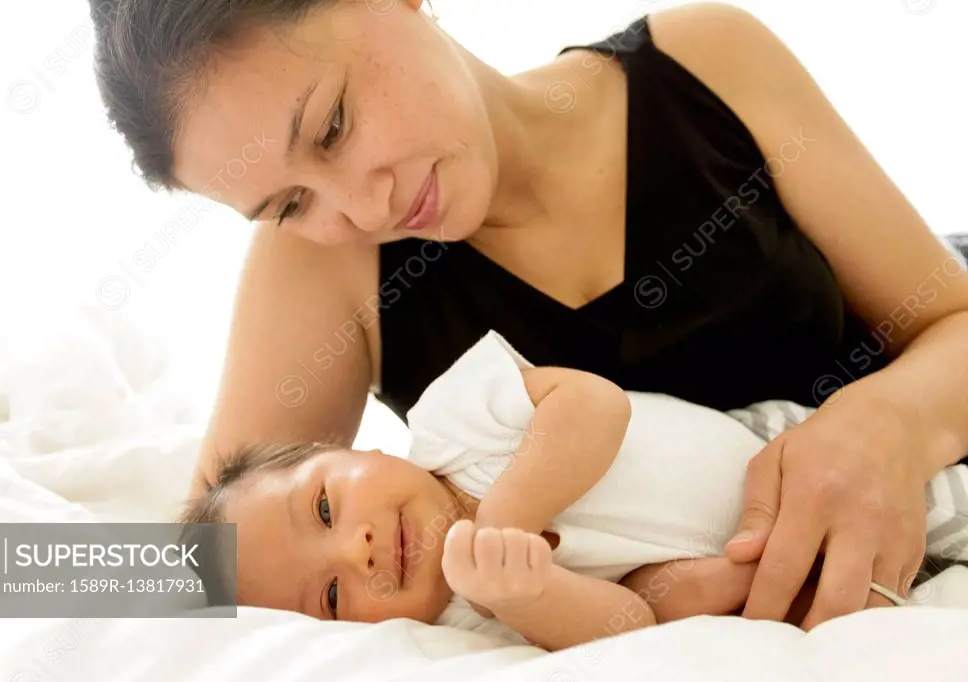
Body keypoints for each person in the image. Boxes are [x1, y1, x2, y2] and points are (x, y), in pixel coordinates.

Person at [89, 0, 968, 630]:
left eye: (333, 126)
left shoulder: (705, 62)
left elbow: (952, 319)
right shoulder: (326, 265)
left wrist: (883, 421)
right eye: (284, 204)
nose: (358, 209)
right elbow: (207, 558)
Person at [177, 330, 968, 650]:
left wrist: (510, 514)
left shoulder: (453, 424)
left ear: (338, 448)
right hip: (752, 555)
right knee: (670, 600)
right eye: (332, 598)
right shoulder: (467, 616)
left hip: (779, 450)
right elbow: (629, 622)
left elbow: (594, 405)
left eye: (324, 506)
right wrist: (526, 596)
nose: (359, 550)